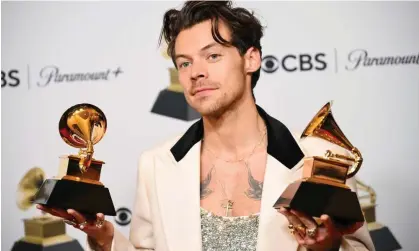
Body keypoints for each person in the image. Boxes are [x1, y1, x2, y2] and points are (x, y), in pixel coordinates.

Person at [37, 1, 375, 251]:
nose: (196, 72)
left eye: (212, 56)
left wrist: (326, 248)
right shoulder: (156, 163)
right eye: (185, 62)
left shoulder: (318, 159)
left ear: (251, 59)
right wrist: (105, 237)